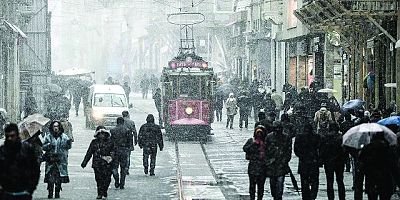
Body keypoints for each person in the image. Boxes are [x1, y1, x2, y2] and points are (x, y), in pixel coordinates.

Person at [0, 123, 40, 200]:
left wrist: (30, 189)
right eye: (7, 136)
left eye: (12, 136)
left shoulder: (27, 149)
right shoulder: (2, 151)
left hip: (23, 192)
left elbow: (35, 170)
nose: (10, 138)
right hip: (6, 193)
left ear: (17, 135)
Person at [359, 132, 400, 200]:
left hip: (371, 179)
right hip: (385, 180)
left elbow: (362, 164)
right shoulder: (388, 148)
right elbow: (394, 167)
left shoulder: (367, 148)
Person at [81, 126, 114, 199]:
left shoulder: (110, 142)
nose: (101, 135)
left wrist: (112, 159)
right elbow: (89, 153)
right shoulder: (94, 142)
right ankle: (100, 193)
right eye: (100, 134)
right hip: (97, 164)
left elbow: (114, 152)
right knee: (98, 179)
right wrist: (84, 162)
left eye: (103, 133)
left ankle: (104, 190)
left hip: (107, 164)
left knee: (107, 179)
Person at [42, 121, 72, 199]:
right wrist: (49, 146)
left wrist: (68, 143)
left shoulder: (64, 137)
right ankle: (50, 192)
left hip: (60, 161)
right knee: (50, 178)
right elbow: (43, 146)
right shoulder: (48, 137)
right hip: (50, 161)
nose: (55, 128)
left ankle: (57, 192)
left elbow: (67, 147)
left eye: (57, 126)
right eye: (54, 126)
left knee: (59, 178)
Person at [264, 121, 292, 200]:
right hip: (272, 164)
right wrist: (268, 160)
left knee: (280, 183)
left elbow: (288, 151)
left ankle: (278, 197)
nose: (278, 130)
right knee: (273, 183)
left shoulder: (286, 138)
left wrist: (285, 160)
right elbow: (265, 150)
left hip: (281, 164)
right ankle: (275, 195)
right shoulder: (269, 137)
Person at [294, 123, 321, 200]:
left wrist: (301, 156)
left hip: (304, 162)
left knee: (304, 181)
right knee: (314, 181)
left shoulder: (299, 137)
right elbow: (320, 148)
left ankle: (306, 197)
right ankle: (312, 196)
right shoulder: (316, 137)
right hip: (313, 161)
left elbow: (296, 149)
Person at [320, 122, 346, 200]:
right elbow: (344, 151)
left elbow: (322, 151)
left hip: (329, 162)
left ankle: (331, 198)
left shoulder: (325, 138)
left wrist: (322, 160)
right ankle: (342, 198)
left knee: (329, 182)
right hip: (339, 162)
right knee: (340, 181)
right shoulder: (341, 138)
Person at [243, 126, 267, 200]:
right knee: (252, 185)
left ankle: (260, 198)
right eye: (258, 133)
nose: (259, 135)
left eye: (261, 133)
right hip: (253, 167)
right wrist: (253, 144)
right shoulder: (251, 141)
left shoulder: (266, 142)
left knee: (261, 185)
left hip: (263, 167)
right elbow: (245, 148)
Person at [110, 117, 133, 189]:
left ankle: (116, 178)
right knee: (123, 168)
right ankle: (122, 183)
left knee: (114, 167)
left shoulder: (113, 130)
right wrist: (130, 147)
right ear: (123, 122)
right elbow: (130, 141)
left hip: (115, 151)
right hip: (124, 150)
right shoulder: (127, 130)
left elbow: (111, 142)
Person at [122, 111, 137, 175]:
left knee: (121, 155)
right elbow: (134, 132)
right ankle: (126, 168)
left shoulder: (120, 121)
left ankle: (122, 167)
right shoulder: (131, 122)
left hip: (121, 140)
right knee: (128, 155)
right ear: (128, 115)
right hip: (129, 140)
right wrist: (135, 140)